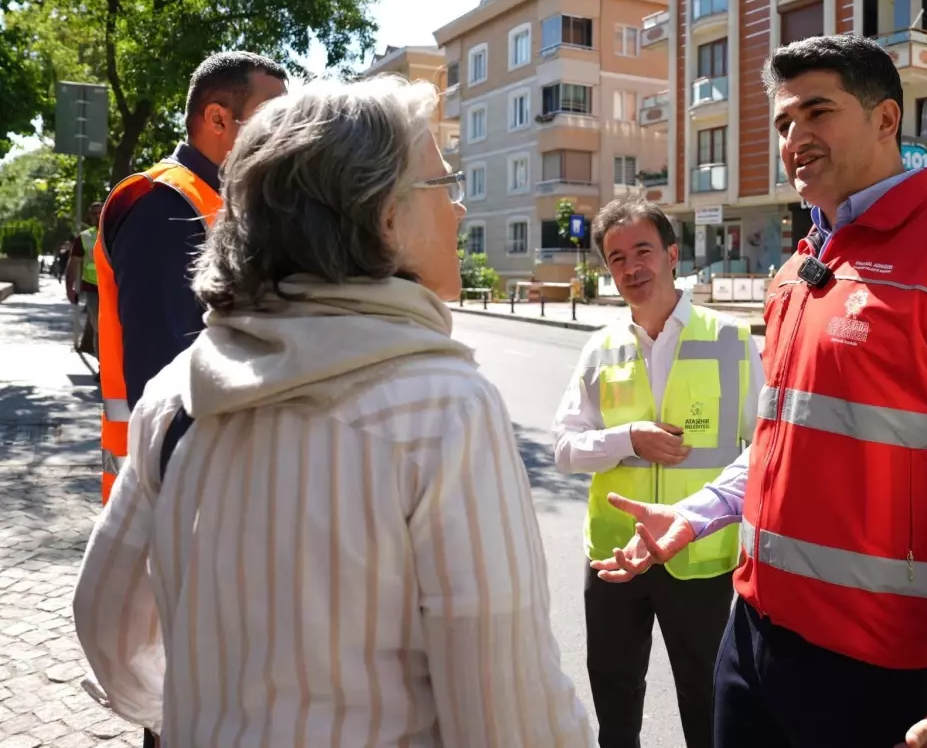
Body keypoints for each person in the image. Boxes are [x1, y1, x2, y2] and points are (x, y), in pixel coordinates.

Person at [73, 76, 595, 748]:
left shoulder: (176, 394)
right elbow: (508, 719)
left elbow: (106, 626)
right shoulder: (444, 409)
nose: (460, 210)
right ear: (384, 218)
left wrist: (205, 712)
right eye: (445, 186)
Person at [590, 35, 927, 748]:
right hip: (753, 641)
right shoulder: (798, 269)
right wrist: (696, 514)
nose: (794, 139)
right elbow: (779, 441)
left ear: (886, 119)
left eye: (817, 113)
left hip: (882, 668)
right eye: (782, 124)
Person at [553, 194, 764, 748]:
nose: (630, 268)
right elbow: (564, 448)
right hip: (615, 555)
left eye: (642, 250)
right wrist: (628, 440)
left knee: (707, 701)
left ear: (673, 254)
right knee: (615, 699)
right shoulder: (601, 348)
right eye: (616, 258)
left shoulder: (730, 339)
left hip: (697, 556)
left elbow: (765, 443)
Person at [93, 50, 288, 506]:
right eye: (271, 118)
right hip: (172, 494)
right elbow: (167, 376)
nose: (285, 134)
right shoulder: (163, 203)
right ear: (219, 118)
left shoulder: (221, 203)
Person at [66, 201, 104, 357]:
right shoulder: (85, 237)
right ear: (90, 217)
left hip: (116, 289)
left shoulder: (118, 234)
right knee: (100, 328)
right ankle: (103, 368)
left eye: (100, 212)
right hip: (93, 289)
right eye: (94, 213)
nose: (97, 216)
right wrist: (70, 288)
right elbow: (73, 263)